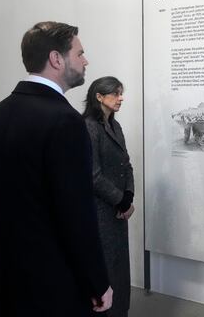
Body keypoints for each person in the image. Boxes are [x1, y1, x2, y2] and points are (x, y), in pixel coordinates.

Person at [0, 21, 112, 316]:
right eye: (80, 53)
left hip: (10, 274)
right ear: (57, 59)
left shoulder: (1, 111)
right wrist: (98, 281)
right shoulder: (65, 120)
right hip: (53, 281)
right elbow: (75, 213)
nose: (85, 61)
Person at [83, 76, 135, 317]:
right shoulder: (88, 127)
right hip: (100, 212)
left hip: (116, 211)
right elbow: (92, 175)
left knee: (119, 269)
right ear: (99, 97)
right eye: (115, 93)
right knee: (105, 269)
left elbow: (126, 164)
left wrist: (129, 194)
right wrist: (120, 199)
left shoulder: (115, 125)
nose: (121, 98)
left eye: (121, 93)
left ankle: (119, 311)